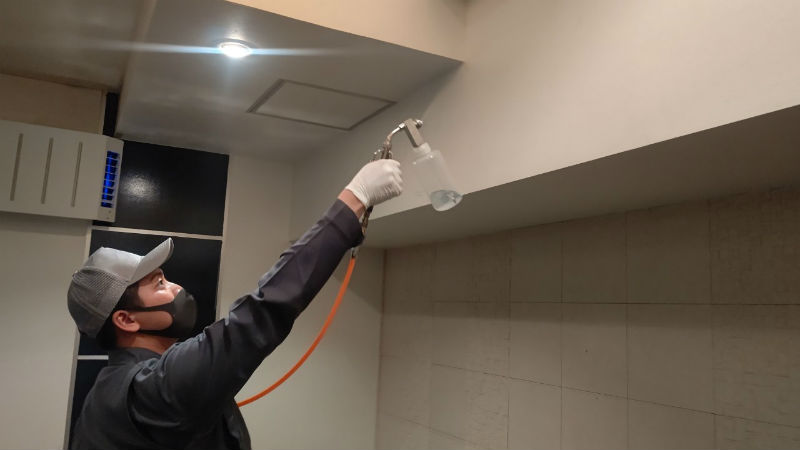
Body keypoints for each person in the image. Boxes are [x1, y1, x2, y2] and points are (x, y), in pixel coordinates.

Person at [66, 159, 403, 450]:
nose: (177, 287)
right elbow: (263, 310)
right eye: (159, 284)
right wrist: (355, 198)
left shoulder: (110, 392)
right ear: (126, 320)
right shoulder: (153, 390)